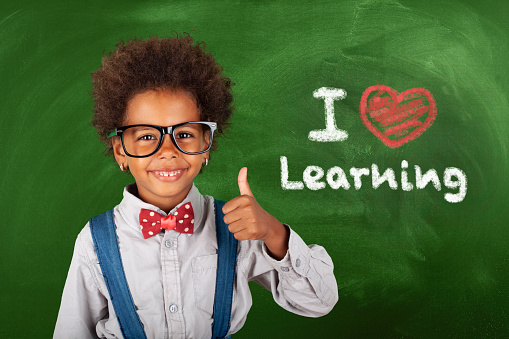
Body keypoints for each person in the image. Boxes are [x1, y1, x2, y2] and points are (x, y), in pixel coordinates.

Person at [54, 34, 338, 339]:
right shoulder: (94, 242)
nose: (168, 151)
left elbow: (319, 302)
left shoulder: (236, 227)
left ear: (206, 145)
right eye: (147, 136)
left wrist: (271, 230)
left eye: (185, 134)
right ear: (121, 150)